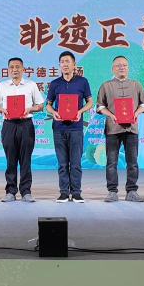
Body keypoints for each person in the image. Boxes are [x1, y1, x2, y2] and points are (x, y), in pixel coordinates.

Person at [95, 56, 144, 203]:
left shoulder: (136, 84)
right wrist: (111, 115)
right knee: (111, 162)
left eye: (124, 65)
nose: (121, 68)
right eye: (118, 65)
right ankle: (112, 192)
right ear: (112, 69)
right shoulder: (106, 85)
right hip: (113, 129)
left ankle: (132, 191)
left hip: (131, 129)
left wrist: (136, 113)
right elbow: (100, 106)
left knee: (132, 162)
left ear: (128, 68)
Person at [0, 57, 44, 203]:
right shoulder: (2, 86)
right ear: (8, 70)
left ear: (23, 69)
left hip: (25, 124)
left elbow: (40, 105)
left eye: (17, 67)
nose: (14, 69)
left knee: (25, 159)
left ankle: (26, 191)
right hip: (9, 125)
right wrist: (2, 110)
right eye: (12, 67)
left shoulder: (31, 85)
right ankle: (10, 191)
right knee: (10, 159)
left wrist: (30, 109)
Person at [45, 51, 92, 203]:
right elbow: (48, 105)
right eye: (62, 62)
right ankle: (64, 192)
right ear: (59, 65)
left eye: (67, 61)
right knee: (62, 163)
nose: (65, 64)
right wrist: (54, 113)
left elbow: (90, 102)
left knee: (76, 162)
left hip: (76, 128)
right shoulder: (55, 83)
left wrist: (80, 111)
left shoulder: (82, 82)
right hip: (59, 128)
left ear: (74, 64)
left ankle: (76, 192)